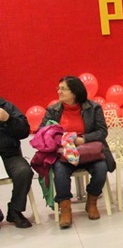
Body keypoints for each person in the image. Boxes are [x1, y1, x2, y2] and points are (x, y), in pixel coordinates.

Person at [44, 76, 115, 229]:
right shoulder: (53, 110)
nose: (59, 92)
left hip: (89, 151)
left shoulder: (93, 108)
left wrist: (83, 139)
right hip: (65, 154)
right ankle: (65, 208)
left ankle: (92, 201)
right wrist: (61, 139)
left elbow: (102, 132)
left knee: (101, 168)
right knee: (60, 171)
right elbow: (43, 133)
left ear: (75, 92)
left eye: (63, 89)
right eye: (59, 88)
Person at [0, 97, 33, 229]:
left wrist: (9, 119)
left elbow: (24, 130)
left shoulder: (5, 105)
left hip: (9, 154)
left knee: (24, 172)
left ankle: (15, 210)